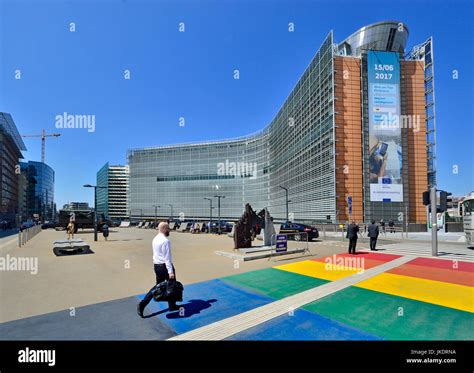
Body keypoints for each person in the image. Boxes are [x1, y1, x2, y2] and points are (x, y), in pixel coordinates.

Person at [137, 222, 180, 317]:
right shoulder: (165, 241)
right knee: (171, 286)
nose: (169, 230)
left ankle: (143, 304)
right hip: (165, 266)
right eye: (168, 228)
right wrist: (170, 272)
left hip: (157, 266)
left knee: (158, 287)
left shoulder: (155, 238)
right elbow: (167, 258)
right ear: (164, 229)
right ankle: (171, 306)